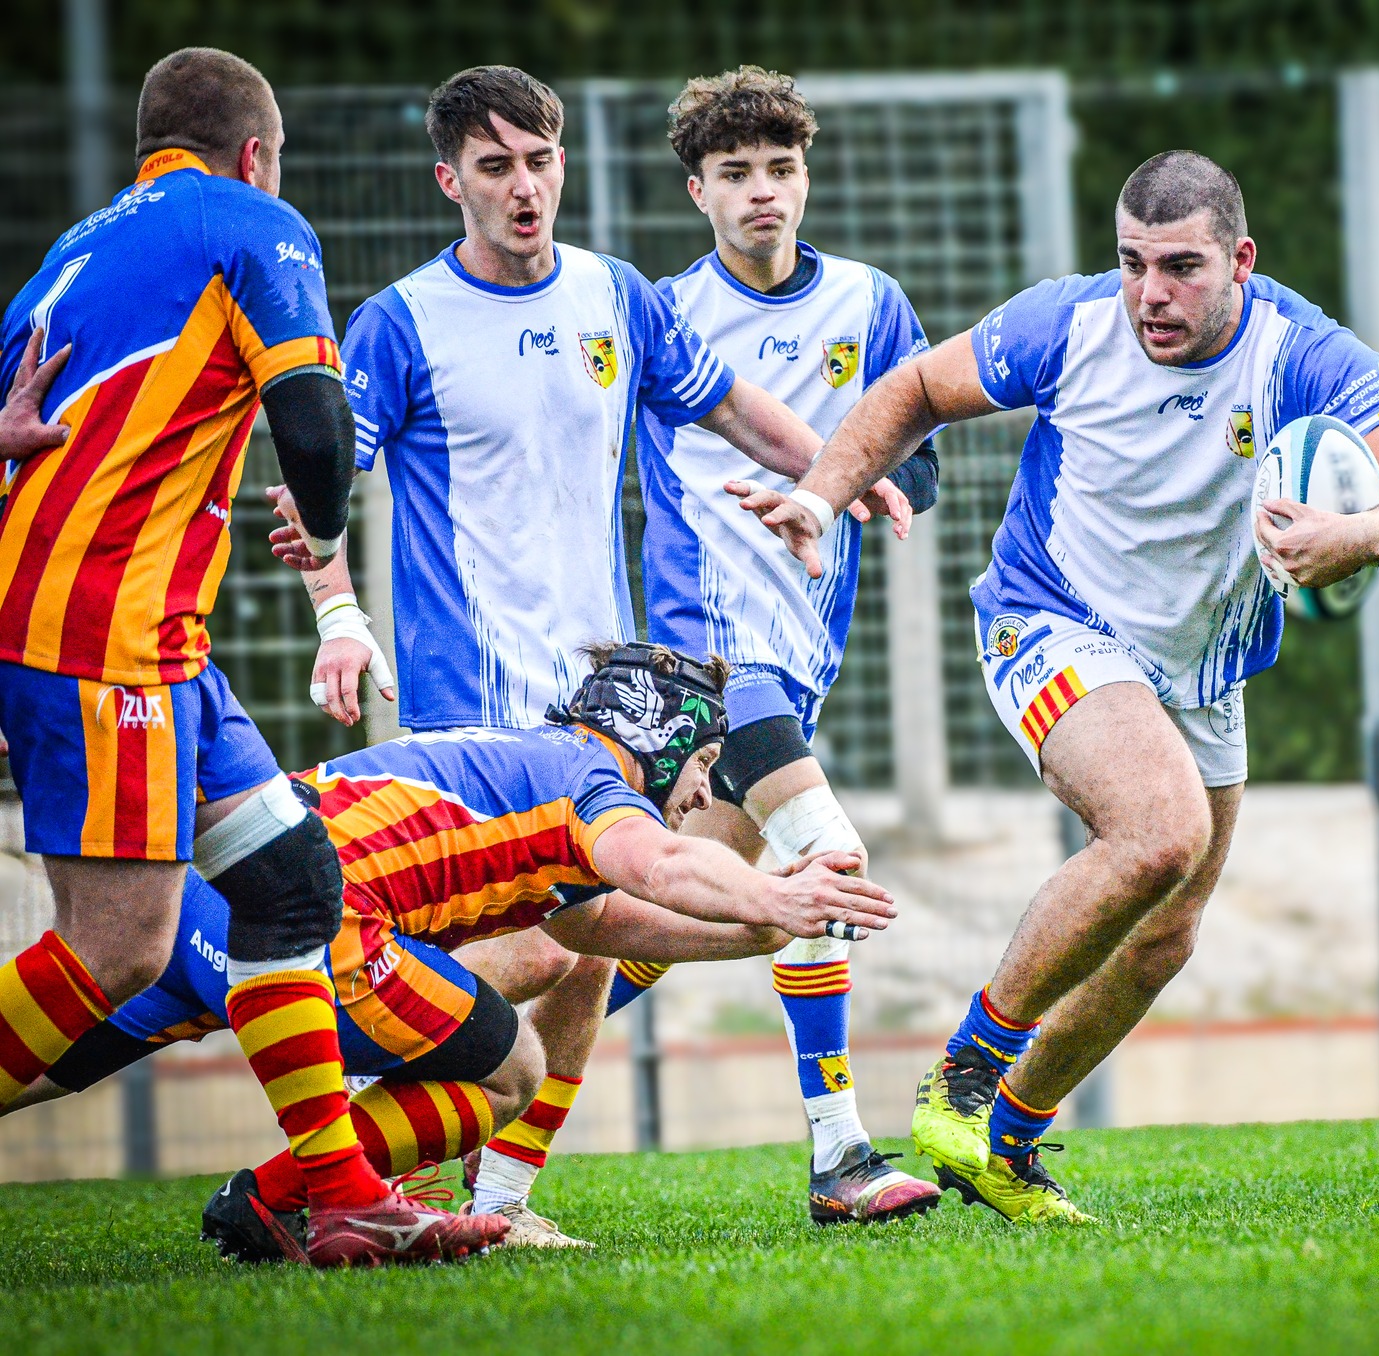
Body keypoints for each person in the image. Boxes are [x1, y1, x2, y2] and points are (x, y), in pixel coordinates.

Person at [736, 151, 1379, 1220]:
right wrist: (819, 495)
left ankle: (1005, 1141)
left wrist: (1357, 534)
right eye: (1133, 264)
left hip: (1199, 663)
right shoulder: (1068, 324)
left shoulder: (1299, 352)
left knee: (1164, 937)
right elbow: (916, 389)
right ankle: (962, 1075)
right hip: (1051, 623)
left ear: (1241, 260)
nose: (1150, 295)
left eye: (1180, 268)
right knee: (1161, 828)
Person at [0, 47, 502, 1265]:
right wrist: (324, 538)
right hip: (100, 635)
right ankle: (338, 1189)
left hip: (153, 644)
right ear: (258, 153)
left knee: (290, 886)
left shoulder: (69, 255)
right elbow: (315, 425)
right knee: (121, 945)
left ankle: (341, 1195)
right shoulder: (251, 222)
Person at [2, 643, 897, 1257]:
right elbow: (659, 865)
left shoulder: (549, 765)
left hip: (209, 905)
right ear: (659, 738)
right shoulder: (592, 780)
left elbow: (595, 926)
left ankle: (292, 1197)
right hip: (308, 926)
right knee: (511, 1070)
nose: (701, 795)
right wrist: (777, 892)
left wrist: (763, 928)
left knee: (44, 1062)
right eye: (702, 765)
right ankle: (278, 1200)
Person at [483, 65, 943, 1228]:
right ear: (698, 192)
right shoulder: (663, 316)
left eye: (780, 169)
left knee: (615, 945)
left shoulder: (872, 304)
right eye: (734, 174)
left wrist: (839, 483)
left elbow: (920, 467)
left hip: (802, 661)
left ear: (806, 178)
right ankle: (840, 1155)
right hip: (713, 667)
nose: (761, 193)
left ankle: (466, 1166)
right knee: (822, 861)